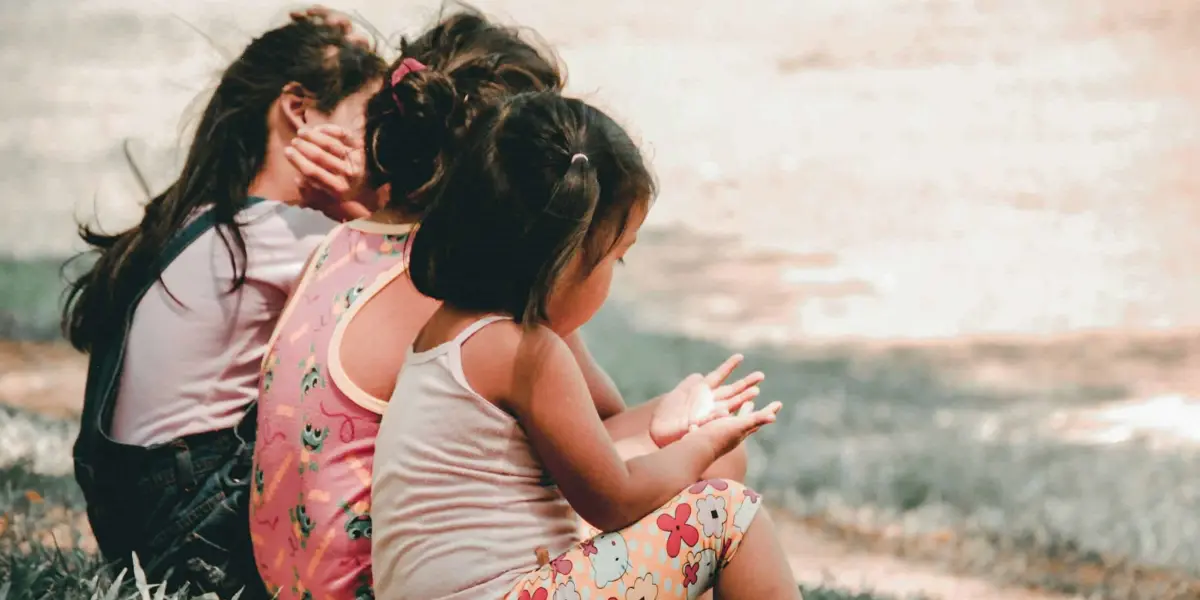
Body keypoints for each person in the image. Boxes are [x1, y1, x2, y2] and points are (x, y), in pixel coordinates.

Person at [251, 8, 763, 600]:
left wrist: (664, 418)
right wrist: (683, 436)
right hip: (383, 584)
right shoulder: (469, 290)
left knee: (695, 456)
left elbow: (583, 427)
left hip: (299, 578)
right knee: (717, 476)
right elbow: (599, 456)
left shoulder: (349, 241)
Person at [370, 91, 801, 600]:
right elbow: (614, 499)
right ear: (563, 260)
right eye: (614, 259)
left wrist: (663, 431)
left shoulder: (449, 332)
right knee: (728, 514)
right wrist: (700, 444)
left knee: (708, 477)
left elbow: (585, 468)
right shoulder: (525, 353)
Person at [60, 10, 387, 598]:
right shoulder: (289, 235)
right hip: (200, 546)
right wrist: (364, 206)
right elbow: (426, 288)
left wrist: (347, 59)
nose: (375, 150)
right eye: (367, 122)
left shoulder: (200, 218)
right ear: (299, 110)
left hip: (145, 535)